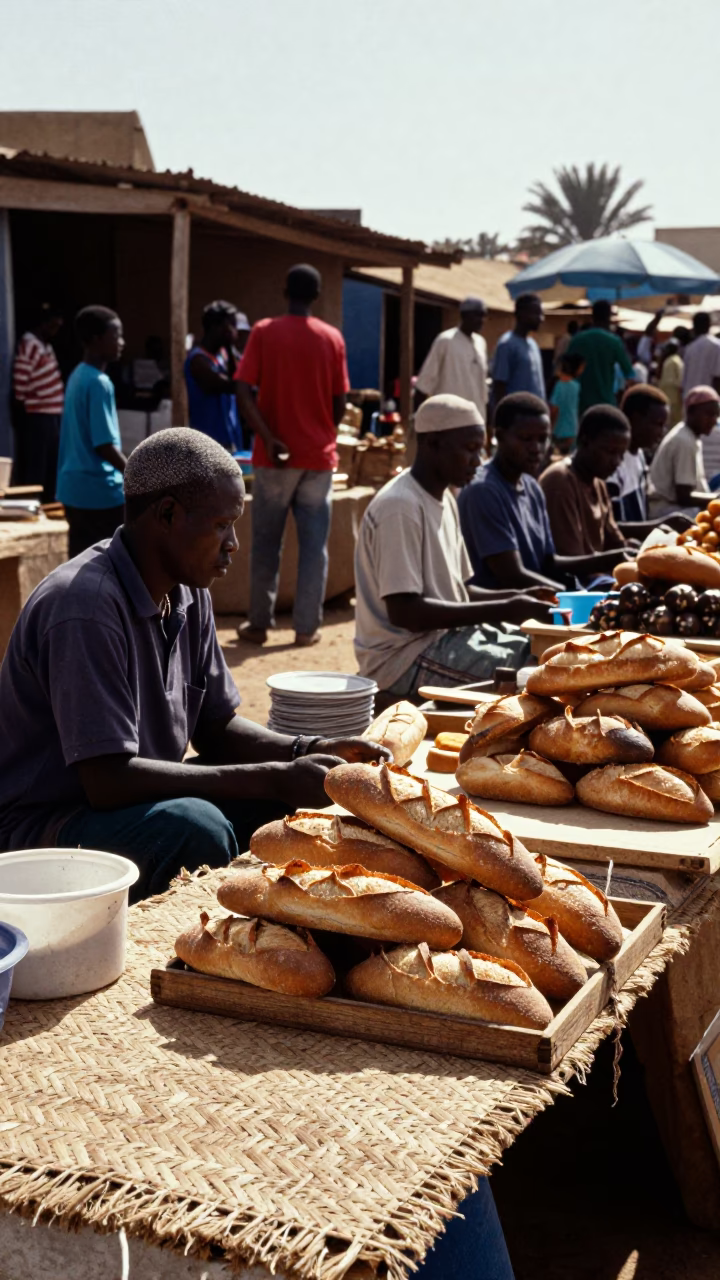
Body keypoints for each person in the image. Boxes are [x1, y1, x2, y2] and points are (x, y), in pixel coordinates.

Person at [0, 428, 389, 894]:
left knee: (291, 817)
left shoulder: (187, 592)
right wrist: (275, 777)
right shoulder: (84, 607)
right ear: (167, 514)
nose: (233, 543)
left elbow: (216, 728)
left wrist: (306, 750)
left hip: (122, 804)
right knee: (196, 827)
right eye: (221, 525)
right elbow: (108, 780)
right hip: (44, 831)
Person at [353, 393, 556, 696]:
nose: (478, 460)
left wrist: (517, 596)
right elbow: (405, 613)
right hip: (402, 657)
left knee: (548, 650)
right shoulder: (400, 506)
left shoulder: (446, 497)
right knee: (535, 677)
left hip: (447, 638)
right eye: (471, 449)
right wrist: (505, 608)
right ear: (432, 444)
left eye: (481, 449)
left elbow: (459, 592)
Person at [235, 264, 350, 648]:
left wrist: (268, 437)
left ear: (285, 290)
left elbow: (243, 390)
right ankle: (306, 628)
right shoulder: (332, 338)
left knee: (267, 542)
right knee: (313, 547)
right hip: (318, 458)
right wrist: (322, 433)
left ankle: (258, 624)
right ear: (316, 297)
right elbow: (340, 401)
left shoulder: (264, 332)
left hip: (274, 457)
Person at [458, 393, 632, 592]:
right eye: (526, 439)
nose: (536, 448)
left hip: (535, 603)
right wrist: (571, 596)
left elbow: (548, 563)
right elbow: (512, 575)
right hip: (498, 612)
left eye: (543, 439)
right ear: (499, 436)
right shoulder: (484, 490)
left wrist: (610, 560)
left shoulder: (531, 487)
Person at [56, 305, 127, 558]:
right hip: (100, 494)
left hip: (73, 489)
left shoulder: (77, 375)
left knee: (80, 564)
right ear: (96, 340)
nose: (122, 342)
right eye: (116, 335)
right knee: (107, 567)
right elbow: (104, 445)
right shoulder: (99, 382)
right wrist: (137, 475)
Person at [539, 406, 633, 557]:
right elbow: (572, 558)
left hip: (595, 573)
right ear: (584, 441)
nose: (616, 462)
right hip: (574, 578)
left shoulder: (599, 483)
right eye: (610, 452)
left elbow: (615, 542)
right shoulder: (561, 481)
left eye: (621, 454)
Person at [11, 302, 65, 502]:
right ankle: (33, 503)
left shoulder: (46, 345)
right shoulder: (30, 344)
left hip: (52, 415)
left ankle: (47, 502)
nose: (55, 331)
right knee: (37, 465)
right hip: (37, 415)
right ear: (43, 323)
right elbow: (20, 386)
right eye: (52, 326)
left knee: (51, 464)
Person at [649, 386, 720, 518]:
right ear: (691, 412)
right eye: (709, 414)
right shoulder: (684, 441)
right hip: (666, 511)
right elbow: (684, 497)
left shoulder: (689, 436)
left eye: (716, 415)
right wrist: (716, 499)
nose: (714, 420)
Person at [415, 296, 489, 419]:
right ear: (464, 315)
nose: (482, 320)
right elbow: (424, 383)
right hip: (449, 418)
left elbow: (483, 388)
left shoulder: (481, 342)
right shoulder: (445, 340)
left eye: (483, 316)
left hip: (476, 417)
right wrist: (419, 417)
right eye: (477, 315)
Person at [184, 301, 243, 452]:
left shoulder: (223, 356)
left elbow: (241, 374)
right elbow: (234, 386)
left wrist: (230, 349)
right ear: (215, 327)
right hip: (207, 445)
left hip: (229, 440)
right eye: (230, 326)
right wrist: (229, 346)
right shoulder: (198, 360)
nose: (234, 331)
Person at [567, 299, 636, 415]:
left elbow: (566, 374)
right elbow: (630, 375)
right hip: (606, 404)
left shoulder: (576, 340)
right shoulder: (614, 342)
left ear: (592, 316)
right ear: (609, 317)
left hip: (580, 404)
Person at [492, 294, 546, 407]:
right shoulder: (506, 344)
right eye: (536, 313)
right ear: (521, 314)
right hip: (517, 418)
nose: (541, 319)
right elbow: (499, 385)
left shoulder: (533, 345)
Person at [549, 352, 584, 454]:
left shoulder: (558, 386)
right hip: (572, 428)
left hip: (558, 429)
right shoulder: (576, 386)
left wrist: (551, 426)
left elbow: (555, 409)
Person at [682, 312, 720, 395]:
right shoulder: (716, 345)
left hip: (690, 398)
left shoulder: (689, 348)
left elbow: (684, 380)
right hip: (709, 399)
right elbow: (717, 378)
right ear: (709, 325)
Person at [658, 337, 684, 426]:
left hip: (668, 396)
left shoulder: (669, 360)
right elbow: (681, 380)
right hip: (674, 398)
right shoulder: (676, 360)